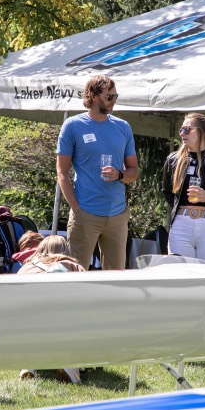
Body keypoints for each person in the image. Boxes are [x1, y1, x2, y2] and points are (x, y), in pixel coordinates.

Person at [56, 75, 139, 270]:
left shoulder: (123, 127)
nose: (114, 101)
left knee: (115, 278)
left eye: (115, 96)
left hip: (117, 216)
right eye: (109, 96)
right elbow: (61, 173)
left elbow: (134, 171)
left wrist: (119, 174)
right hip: (85, 214)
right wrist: (77, 209)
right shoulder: (73, 126)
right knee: (76, 275)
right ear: (93, 96)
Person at [161, 113, 205, 262]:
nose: (182, 133)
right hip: (181, 224)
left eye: (187, 129)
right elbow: (167, 191)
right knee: (180, 272)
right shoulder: (173, 160)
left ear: (202, 132)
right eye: (181, 130)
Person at [17, 235, 84, 384]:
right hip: (65, 325)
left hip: (30, 324)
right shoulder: (75, 267)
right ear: (65, 249)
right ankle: (69, 366)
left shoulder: (26, 268)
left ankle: (29, 365)